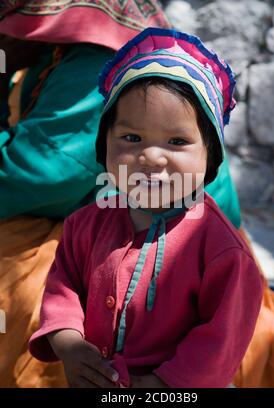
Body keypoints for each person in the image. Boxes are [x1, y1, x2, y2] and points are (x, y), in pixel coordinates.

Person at [29, 28, 263, 388]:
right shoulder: (84, 224)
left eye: (177, 141)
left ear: (210, 155)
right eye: (132, 138)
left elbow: (221, 337)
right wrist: (69, 344)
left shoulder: (220, 249)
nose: (152, 156)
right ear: (103, 145)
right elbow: (64, 287)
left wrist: (161, 384)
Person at [0, 0, 170, 387]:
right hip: (90, 210)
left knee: (20, 297)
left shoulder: (100, 58)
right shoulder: (66, 43)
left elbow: (40, 175)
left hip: (154, 233)